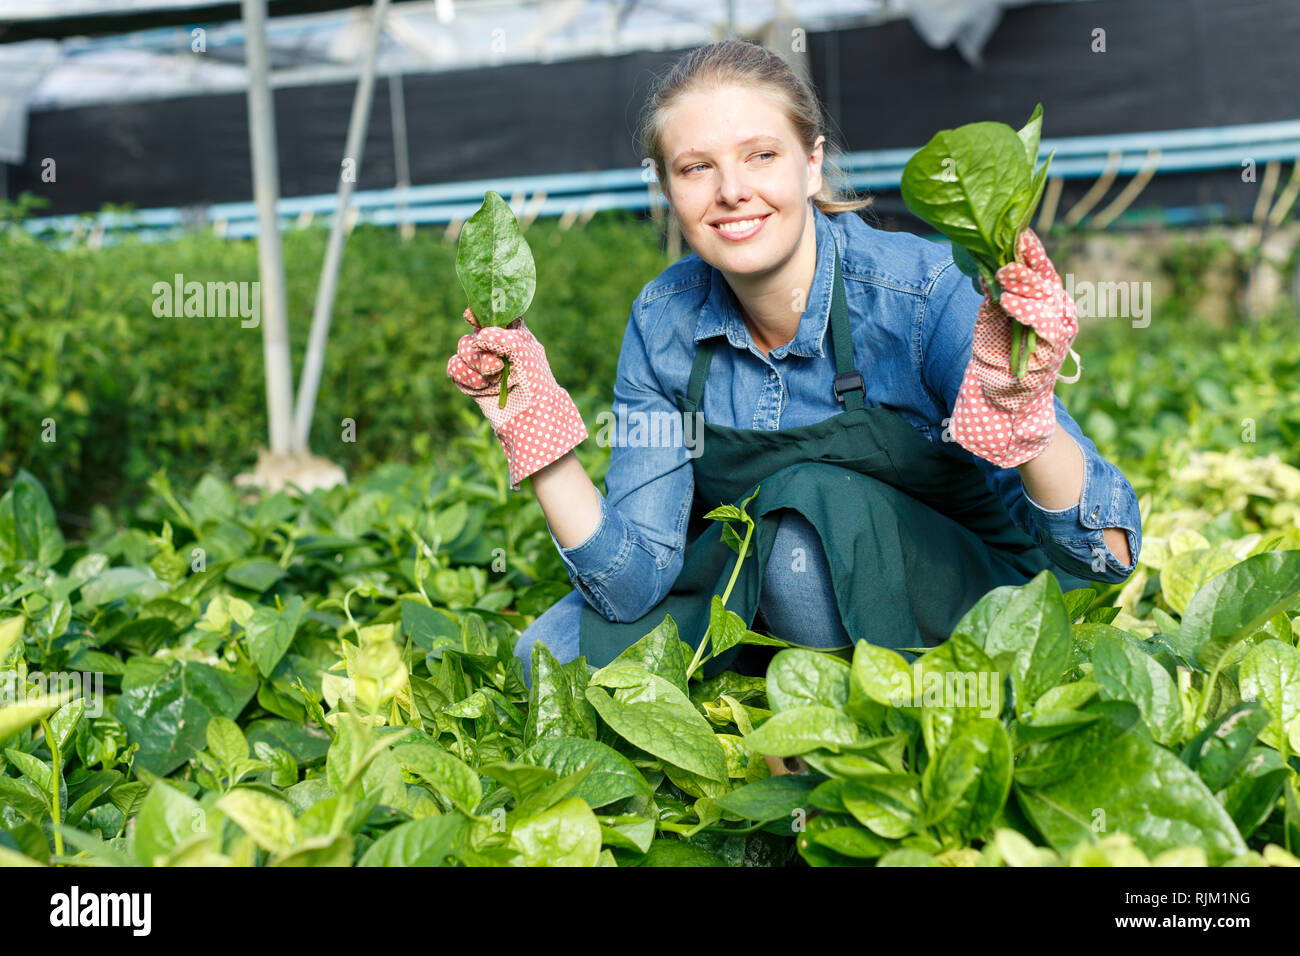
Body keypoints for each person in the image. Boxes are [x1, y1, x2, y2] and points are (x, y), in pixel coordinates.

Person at [447, 39, 1142, 697]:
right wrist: (536, 437)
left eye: (760, 156)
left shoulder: (926, 294)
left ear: (811, 164)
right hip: (757, 589)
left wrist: (1023, 412)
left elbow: (1102, 552)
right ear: (667, 189)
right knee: (550, 658)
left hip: (960, 593)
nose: (731, 191)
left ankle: (838, 738)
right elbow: (635, 584)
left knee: (798, 526)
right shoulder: (664, 321)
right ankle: (776, 681)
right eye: (696, 168)